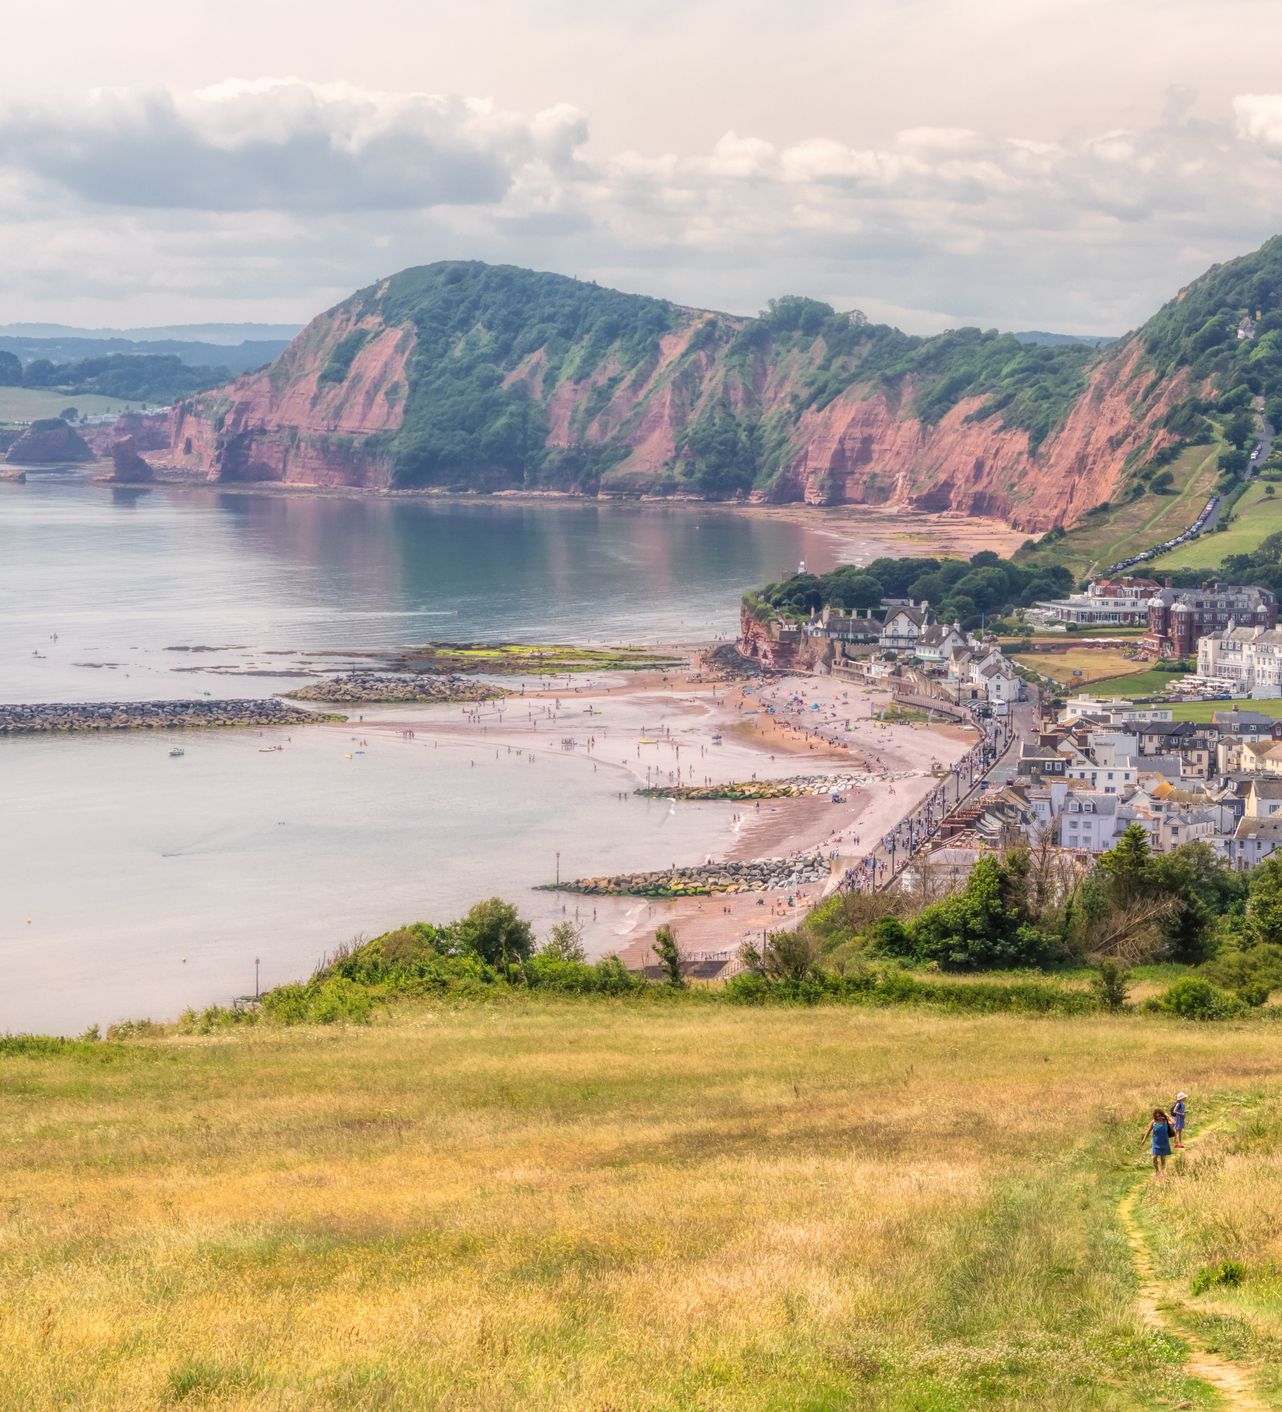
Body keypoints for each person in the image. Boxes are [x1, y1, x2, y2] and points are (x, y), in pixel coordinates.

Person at [1145, 1108, 1174, 1175]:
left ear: (1162, 1115)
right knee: (1154, 1158)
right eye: (1157, 1116)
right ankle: (1157, 1171)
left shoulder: (1165, 1122)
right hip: (1156, 1143)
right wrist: (1144, 1140)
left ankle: (1163, 1172)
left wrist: (1167, 1116)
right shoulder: (1153, 1122)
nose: (1158, 1117)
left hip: (1164, 1142)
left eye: (1160, 1116)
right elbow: (1148, 1131)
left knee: (1163, 1158)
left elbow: (1173, 1122)